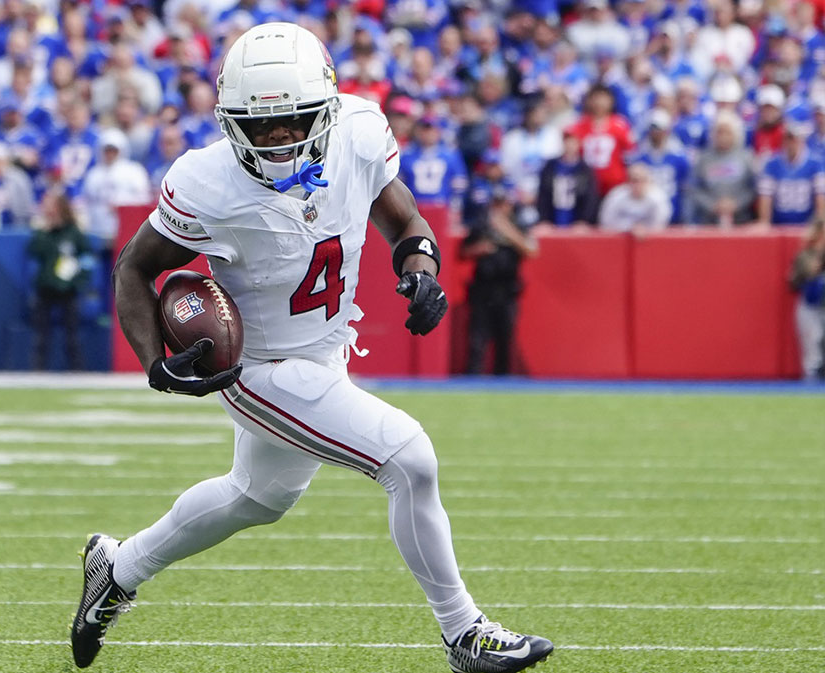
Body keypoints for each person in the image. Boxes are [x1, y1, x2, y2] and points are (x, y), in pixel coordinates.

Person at [75, 23, 553, 673]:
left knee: (257, 496)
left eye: (293, 121)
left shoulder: (358, 130)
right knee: (408, 457)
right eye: (259, 125)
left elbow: (405, 219)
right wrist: (154, 359)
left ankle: (117, 566)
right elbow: (134, 267)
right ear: (228, 121)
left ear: (325, 109)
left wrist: (422, 268)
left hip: (326, 348)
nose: (277, 139)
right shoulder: (206, 182)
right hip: (256, 366)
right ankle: (463, 631)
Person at [461, 160, 539, 375]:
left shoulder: (518, 223)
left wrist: (507, 231)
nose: (500, 208)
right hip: (483, 287)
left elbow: (532, 250)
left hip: (507, 287)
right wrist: (480, 249)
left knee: (505, 339)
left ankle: (503, 381)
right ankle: (473, 381)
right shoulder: (482, 222)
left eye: (503, 203)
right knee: (477, 338)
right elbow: (463, 252)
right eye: (496, 203)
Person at [29, 189, 91, 370]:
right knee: (41, 334)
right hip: (46, 287)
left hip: (68, 288)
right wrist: (45, 229)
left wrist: (78, 280)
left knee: (72, 335)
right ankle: (38, 370)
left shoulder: (74, 233)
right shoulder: (43, 232)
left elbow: (87, 258)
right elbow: (34, 251)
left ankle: (77, 370)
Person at [688, 112, 757, 226]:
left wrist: (736, 204)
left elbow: (753, 188)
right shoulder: (703, 158)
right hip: (709, 221)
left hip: (741, 220)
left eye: (727, 132)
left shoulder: (746, 157)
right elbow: (694, 188)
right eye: (719, 132)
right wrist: (712, 205)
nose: (723, 137)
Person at [565, 84, 634, 198]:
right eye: (595, 98)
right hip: (586, 185)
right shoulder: (578, 126)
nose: (599, 102)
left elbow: (630, 154)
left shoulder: (620, 125)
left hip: (615, 185)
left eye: (603, 98)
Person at [756, 122, 825, 228]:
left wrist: (820, 225)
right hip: (778, 225)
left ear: (801, 141)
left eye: (793, 139)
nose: (790, 143)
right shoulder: (772, 164)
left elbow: (820, 196)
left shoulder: (815, 164)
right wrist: (765, 222)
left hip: (807, 226)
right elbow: (766, 196)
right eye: (787, 139)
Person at [536, 129, 599, 228]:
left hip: (576, 220)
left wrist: (584, 220)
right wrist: (544, 219)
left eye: (573, 142)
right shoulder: (551, 166)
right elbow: (543, 193)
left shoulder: (585, 170)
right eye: (567, 141)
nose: (570, 145)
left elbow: (590, 198)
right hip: (553, 218)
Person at [789, 220, 825, 381]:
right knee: (813, 341)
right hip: (811, 306)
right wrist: (813, 270)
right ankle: (812, 379)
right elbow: (793, 283)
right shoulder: (806, 254)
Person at [597, 163, 672, 233]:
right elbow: (606, 221)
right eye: (634, 181)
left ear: (649, 181)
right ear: (627, 181)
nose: (638, 185)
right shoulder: (616, 196)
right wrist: (629, 228)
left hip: (650, 240)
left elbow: (661, 223)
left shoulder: (658, 198)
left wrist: (644, 229)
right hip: (619, 240)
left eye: (642, 180)